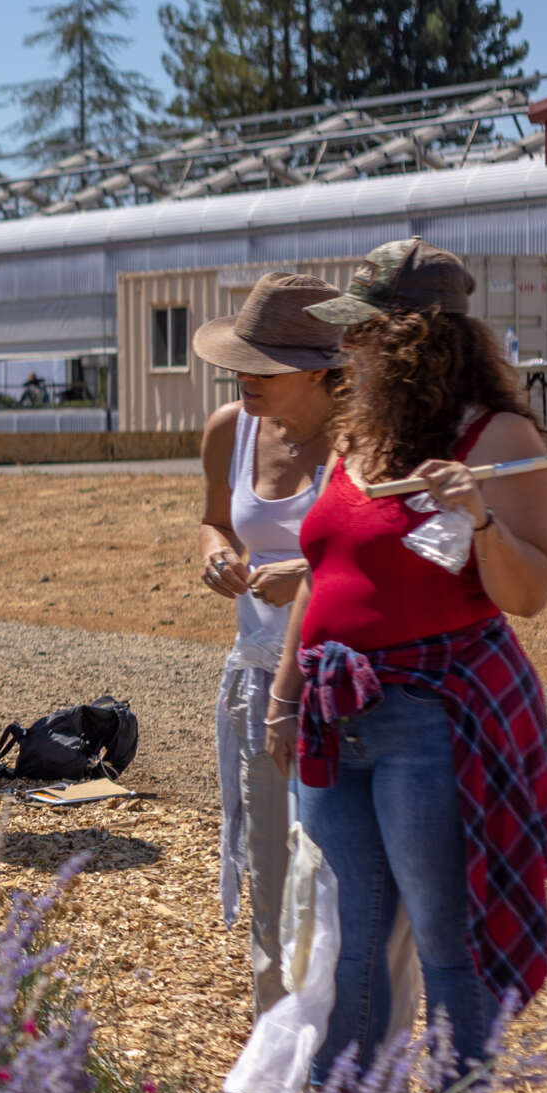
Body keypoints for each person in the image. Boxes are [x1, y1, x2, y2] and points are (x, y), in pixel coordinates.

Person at [265, 238, 547, 1093]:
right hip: (334, 713)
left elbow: (529, 590)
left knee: (448, 944)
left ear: (408, 336)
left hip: (435, 718)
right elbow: (320, 577)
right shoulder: (361, 437)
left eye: (359, 327)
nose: (342, 344)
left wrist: (479, 516)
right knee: (354, 935)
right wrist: (280, 697)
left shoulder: (497, 433)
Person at [193, 273, 345, 1020]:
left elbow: (401, 549)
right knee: (271, 865)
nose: (242, 374)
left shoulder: (366, 440)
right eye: (239, 358)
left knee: (340, 874)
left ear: (320, 368)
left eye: (263, 362)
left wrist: (313, 573)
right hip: (259, 679)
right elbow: (214, 519)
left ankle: (342, 1047)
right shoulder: (231, 427)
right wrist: (215, 550)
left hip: (347, 686)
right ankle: (275, 1038)